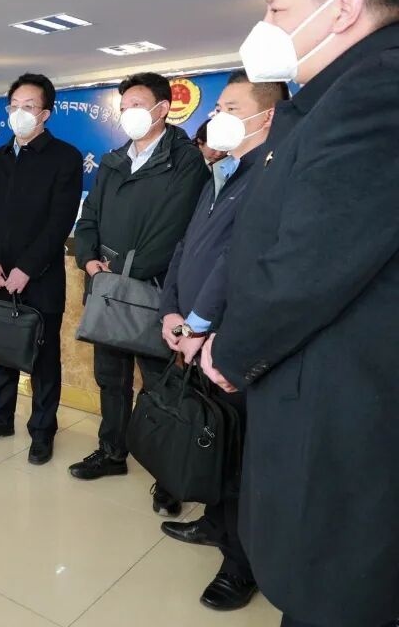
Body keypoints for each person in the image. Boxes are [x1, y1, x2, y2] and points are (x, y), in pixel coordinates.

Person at [200, 0, 399, 626]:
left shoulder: (375, 91)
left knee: (335, 594)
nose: (265, 25)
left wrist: (231, 348)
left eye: (277, 9)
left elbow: (308, 263)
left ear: (342, 8)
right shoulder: (330, 98)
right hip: (317, 393)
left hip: (342, 409)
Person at [158, 70, 289, 612]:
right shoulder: (223, 171)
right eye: (218, 108)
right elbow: (186, 246)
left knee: (239, 458)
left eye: (231, 108)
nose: (217, 118)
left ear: (267, 116)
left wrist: (198, 324)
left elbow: (239, 262)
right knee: (215, 445)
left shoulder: (272, 177)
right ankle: (215, 525)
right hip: (194, 336)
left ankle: (242, 565)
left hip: (230, 344)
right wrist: (171, 309)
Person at [70, 72, 209, 517]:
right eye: (124, 105)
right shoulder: (112, 161)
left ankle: (167, 475)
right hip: (107, 288)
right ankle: (111, 451)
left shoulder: (185, 161)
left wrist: (125, 270)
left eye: (137, 104)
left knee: (159, 385)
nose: (129, 112)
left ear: (162, 109)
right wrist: (89, 260)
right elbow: (88, 218)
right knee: (110, 378)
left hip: (154, 291)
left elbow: (174, 230)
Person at [0, 73, 84, 465]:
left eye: (29, 106)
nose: (20, 112)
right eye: (14, 105)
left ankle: (42, 431)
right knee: (2, 349)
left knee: (43, 358)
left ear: (45, 113)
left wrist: (27, 268)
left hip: (40, 278)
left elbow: (59, 222)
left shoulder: (65, 158)